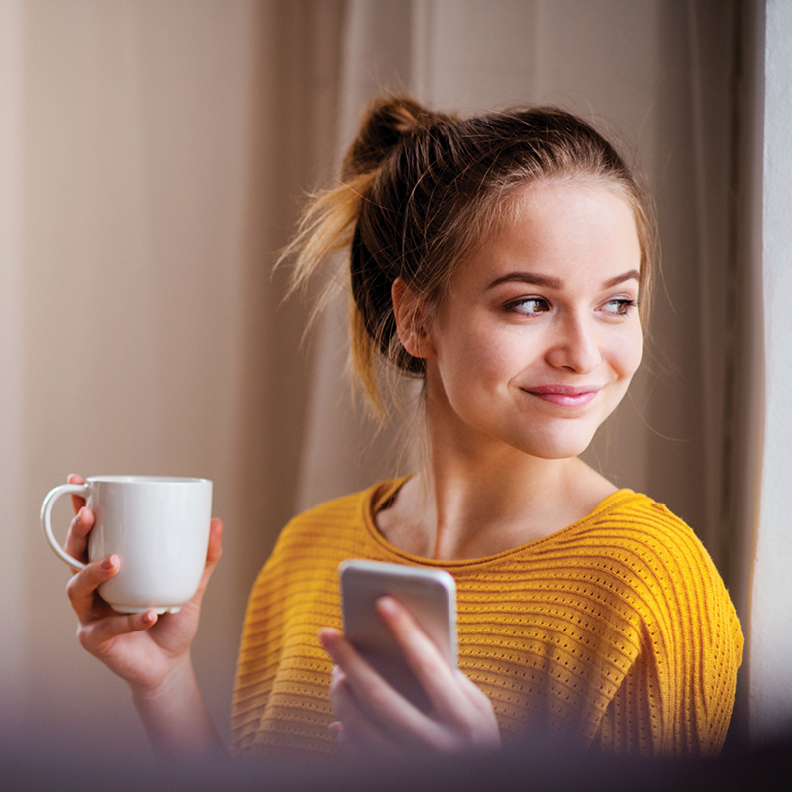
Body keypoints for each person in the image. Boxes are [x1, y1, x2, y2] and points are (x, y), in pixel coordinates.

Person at [63, 96, 742, 760]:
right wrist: (164, 681)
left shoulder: (652, 582)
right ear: (417, 318)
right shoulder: (305, 555)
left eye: (617, 303)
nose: (585, 353)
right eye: (531, 303)